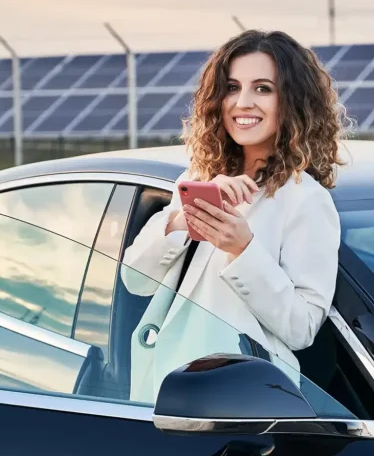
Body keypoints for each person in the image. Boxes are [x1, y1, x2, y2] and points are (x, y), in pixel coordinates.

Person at [120, 30, 348, 403]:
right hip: (163, 389)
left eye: (262, 89)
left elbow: (303, 327)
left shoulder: (305, 200)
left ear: (293, 100)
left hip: (235, 403)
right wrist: (184, 220)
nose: (243, 103)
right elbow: (134, 279)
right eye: (231, 87)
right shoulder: (196, 178)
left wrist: (243, 249)